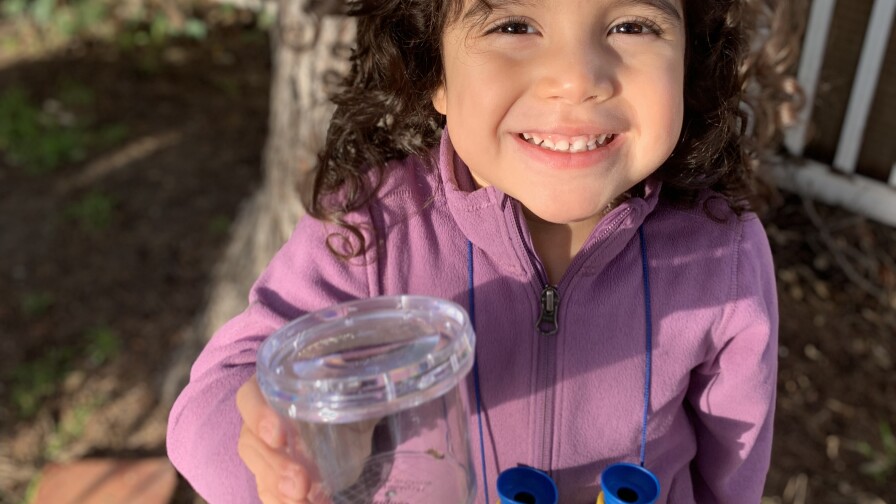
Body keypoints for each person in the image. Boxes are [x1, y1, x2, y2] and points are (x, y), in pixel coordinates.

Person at [168, 0, 793, 502]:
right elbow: (212, 403)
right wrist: (292, 447)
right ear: (433, 69)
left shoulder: (724, 255)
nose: (576, 78)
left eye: (632, 24)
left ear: (691, 57)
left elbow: (732, 473)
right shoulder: (371, 231)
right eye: (514, 24)